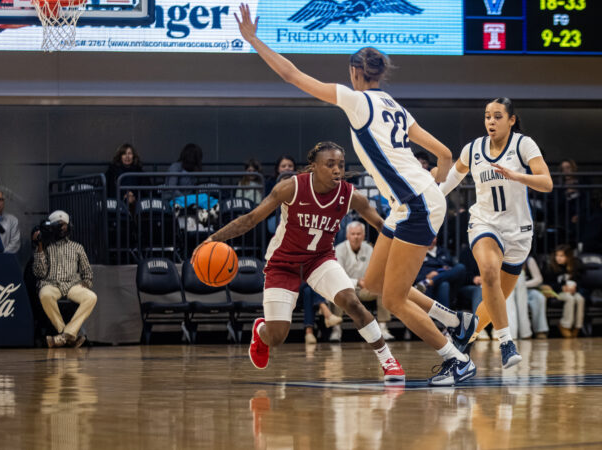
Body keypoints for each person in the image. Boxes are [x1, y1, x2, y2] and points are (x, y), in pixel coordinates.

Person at [235, 4, 478, 386]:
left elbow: (291, 74)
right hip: (415, 200)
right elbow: (445, 154)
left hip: (415, 204)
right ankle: (455, 319)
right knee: (374, 284)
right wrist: (435, 187)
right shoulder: (395, 106)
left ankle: (455, 359)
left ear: (353, 72)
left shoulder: (355, 100)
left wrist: (253, 40)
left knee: (393, 301)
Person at [199, 142, 405, 383]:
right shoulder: (290, 188)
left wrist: (403, 247)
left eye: (340, 164)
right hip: (283, 263)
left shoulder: (351, 195)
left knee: (352, 302)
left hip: (319, 259)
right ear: (313, 167)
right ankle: (261, 331)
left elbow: (380, 225)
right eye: (330, 165)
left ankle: (388, 360)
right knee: (277, 336)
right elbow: (251, 219)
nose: (337, 170)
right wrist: (212, 238)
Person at [438, 97, 553, 368]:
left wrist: (518, 176)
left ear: (511, 120)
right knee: (488, 271)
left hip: (518, 231)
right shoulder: (473, 148)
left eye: (498, 116)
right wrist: (431, 199)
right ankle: (506, 342)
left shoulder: (523, 144)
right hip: (484, 222)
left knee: (493, 302)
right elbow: (451, 180)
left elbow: (546, 183)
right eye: (488, 116)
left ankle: (467, 337)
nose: (491, 121)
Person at [32, 210, 96, 348]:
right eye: (58, 225)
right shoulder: (46, 246)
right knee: (44, 294)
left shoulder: (77, 247)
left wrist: (86, 282)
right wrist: (40, 246)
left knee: (91, 297)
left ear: (69, 226)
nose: (62, 228)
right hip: (51, 283)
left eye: (64, 224)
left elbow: (87, 272)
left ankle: (65, 336)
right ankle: (67, 334)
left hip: (73, 284)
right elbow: (39, 273)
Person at [333, 221, 394, 342]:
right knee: (336, 290)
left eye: (358, 234)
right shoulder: (339, 250)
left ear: (363, 235)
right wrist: (357, 282)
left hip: (365, 288)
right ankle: (336, 330)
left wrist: (369, 282)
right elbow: (338, 276)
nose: (356, 237)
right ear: (347, 235)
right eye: (353, 234)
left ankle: (383, 328)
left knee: (382, 288)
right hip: (347, 289)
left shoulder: (369, 248)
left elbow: (375, 270)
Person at [543, 245, 585, 338]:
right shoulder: (550, 266)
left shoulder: (576, 265)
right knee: (570, 299)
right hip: (557, 292)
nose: (558, 258)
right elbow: (547, 283)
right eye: (557, 255)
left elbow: (582, 280)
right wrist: (561, 288)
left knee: (580, 299)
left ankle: (577, 326)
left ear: (568, 257)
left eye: (562, 256)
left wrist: (575, 287)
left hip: (573, 291)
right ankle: (564, 325)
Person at [414, 237, 466, 310]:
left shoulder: (444, 251)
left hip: (446, 284)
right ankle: (444, 315)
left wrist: (442, 272)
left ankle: (431, 281)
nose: (431, 240)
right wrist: (426, 276)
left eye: (433, 237)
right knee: (444, 284)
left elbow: (452, 270)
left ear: (437, 238)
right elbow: (412, 276)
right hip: (428, 289)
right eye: (428, 237)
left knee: (460, 267)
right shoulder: (417, 254)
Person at [0, 188, 20, 254]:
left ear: (3, 202)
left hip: (6, 260)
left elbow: (15, 243)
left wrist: (2, 256)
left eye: (0, 199)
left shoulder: (13, 220)